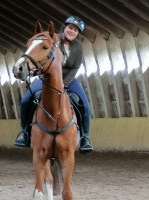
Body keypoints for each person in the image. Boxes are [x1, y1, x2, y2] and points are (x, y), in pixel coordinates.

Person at [14, 16, 93, 153]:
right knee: (26, 100)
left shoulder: (78, 47)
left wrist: (64, 84)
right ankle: (25, 133)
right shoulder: (53, 39)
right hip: (47, 78)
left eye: (75, 30)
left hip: (69, 79)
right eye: (70, 28)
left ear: (78, 33)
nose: (72, 31)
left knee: (85, 105)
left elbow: (75, 68)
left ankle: (85, 137)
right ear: (65, 28)